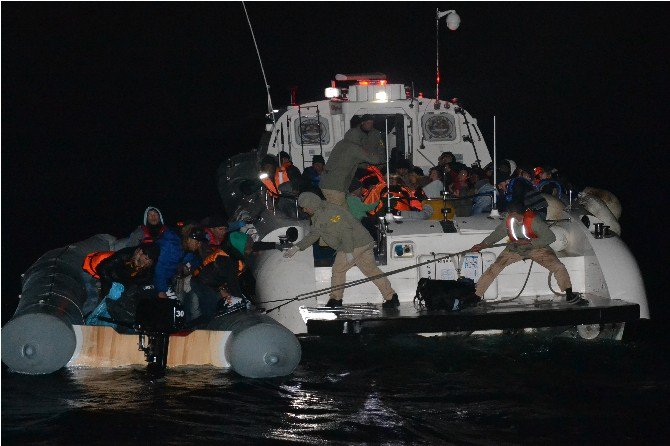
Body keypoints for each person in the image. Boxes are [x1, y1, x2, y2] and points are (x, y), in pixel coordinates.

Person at [283, 192, 399, 309]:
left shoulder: (329, 213)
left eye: (305, 208)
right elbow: (314, 234)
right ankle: (391, 297)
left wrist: (348, 252)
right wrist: (297, 247)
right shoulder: (321, 211)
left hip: (353, 244)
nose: (304, 210)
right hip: (364, 241)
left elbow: (346, 231)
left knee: (338, 270)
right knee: (371, 270)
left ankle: (336, 299)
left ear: (311, 205)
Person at [468, 202, 586, 305]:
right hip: (515, 249)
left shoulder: (534, 221)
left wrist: (529, 242)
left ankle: (569, 293)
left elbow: (550, 237)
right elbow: (497, 234)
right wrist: (482, 245)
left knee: (558, 267)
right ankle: (477, 296)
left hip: (536, 248)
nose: (508, 214)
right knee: (494, 268)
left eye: (510, 212)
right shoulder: (509, 220)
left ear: (516, 213)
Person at [83, 243, 160, 325]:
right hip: (95, 273)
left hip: (118, 282)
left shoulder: (149, 265)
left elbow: (144, 281)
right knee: (94, 299)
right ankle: (85, 319)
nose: (147, 262)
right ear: (140, 252)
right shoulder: (125, 254)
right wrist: (109, 290)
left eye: (150, 261)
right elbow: (101, 268)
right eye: (146, 258)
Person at [319, 114, 386, 207]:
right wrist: (383, 159)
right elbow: (374, 159)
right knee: (339, 212)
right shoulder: (354, 148)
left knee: (342, 210)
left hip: (330, 183)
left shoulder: (341, 143)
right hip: (334, 186)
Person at [182, 227, 247, 322]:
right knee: (202, 310)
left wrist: (222, 290)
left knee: (205, 309)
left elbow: (212, 273)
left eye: (192, 240)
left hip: (204, 282)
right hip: (201, 282)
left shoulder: (204, 251)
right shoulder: (193, 252)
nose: (189, 243)